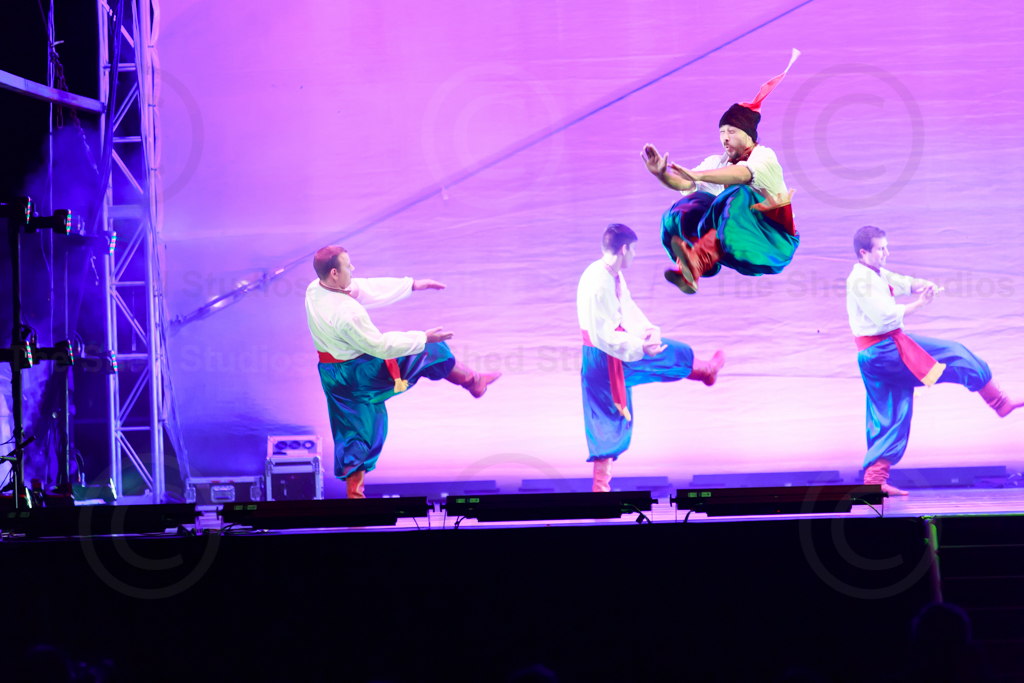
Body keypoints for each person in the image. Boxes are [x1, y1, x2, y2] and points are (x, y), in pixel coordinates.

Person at [305, 246, 500, 498]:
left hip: (332, 376)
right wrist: (423, 337)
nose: (352, 269)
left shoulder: (315, 289)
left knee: (353, 430)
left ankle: (354, 498)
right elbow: (380, 346)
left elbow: (364, 287)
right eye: (347, 265)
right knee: (431, 350)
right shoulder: (347, 312)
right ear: (334, 272)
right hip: (359, 376)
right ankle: (474, 382)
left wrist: (412, 285)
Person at [846, 226, 1022, 495]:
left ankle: (874, 482)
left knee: (892, 413)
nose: (886, 253)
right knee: (955, 353)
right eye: (881, 248)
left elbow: (901, 282)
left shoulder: (874, 272)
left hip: (875, 356)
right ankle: (999, 402)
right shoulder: (860, 280)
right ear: (864, 252)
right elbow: (885, 318)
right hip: (884, 353)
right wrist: (921, 304)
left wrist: (921, 285)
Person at [578, 224, 724, 491]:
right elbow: (603, 335)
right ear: (624, 249)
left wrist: (645, 330)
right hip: (608, 355)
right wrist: (640, 347)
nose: (634, 255)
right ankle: (705, 370)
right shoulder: (599, 283)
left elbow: (626, 307)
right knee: (668, 354)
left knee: (607, 419)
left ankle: (600, 490)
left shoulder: (607, 272)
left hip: (601, 356)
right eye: (633, 250)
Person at [642, 49, 800, 294]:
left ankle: (697, 260)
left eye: (732, 132)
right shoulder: (717, 162)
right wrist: (661, 175)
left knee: (739, 194)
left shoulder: (764, 156)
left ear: (749, 135)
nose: (725, 138)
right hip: (733, 241)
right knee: (689, 205)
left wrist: (699, 175)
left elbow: (741, 175)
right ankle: (690, 269)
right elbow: (685, 185)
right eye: (722, 132)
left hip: (772, 243)